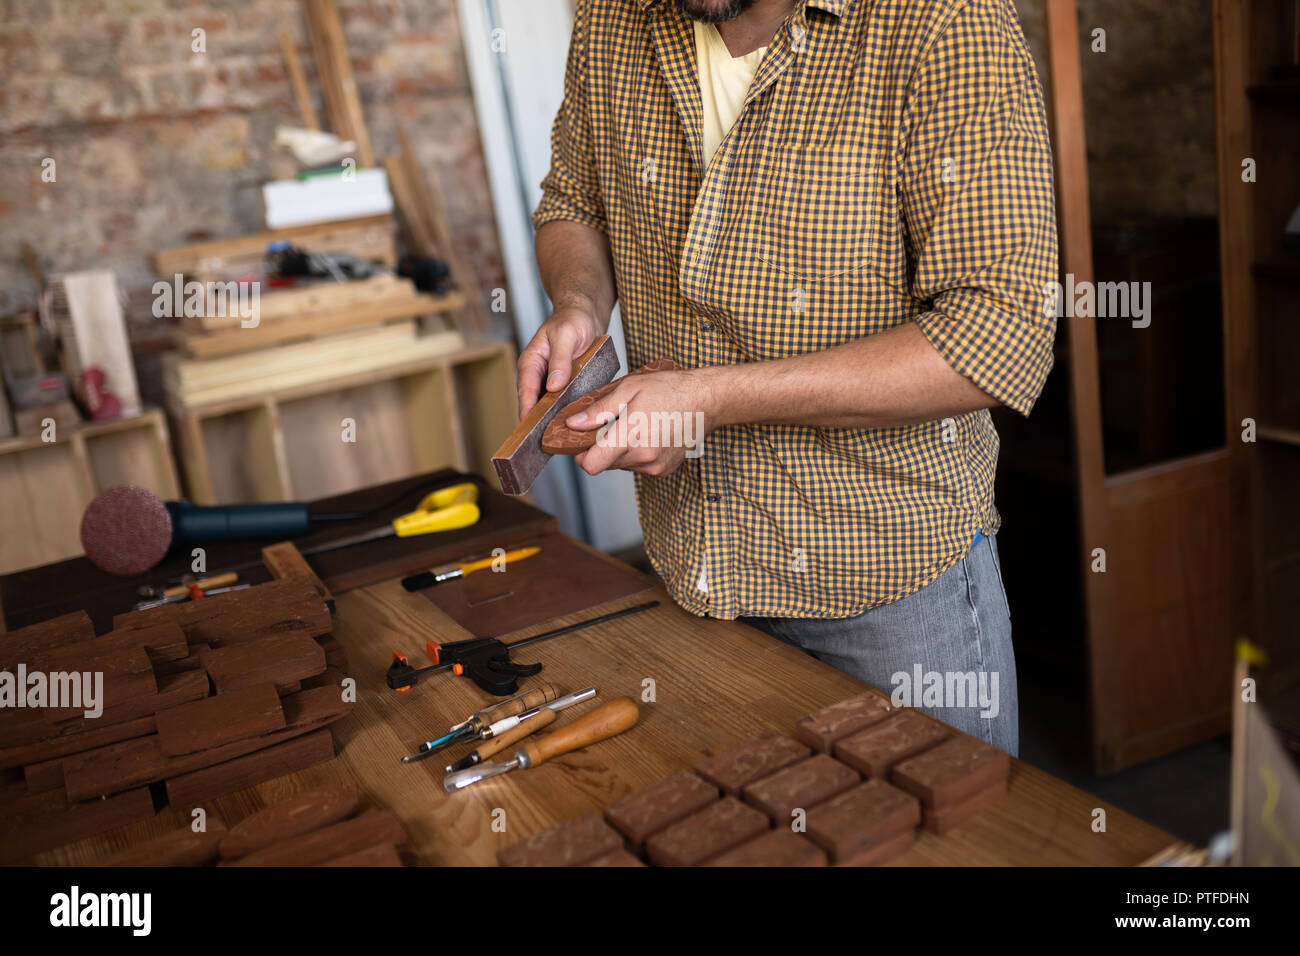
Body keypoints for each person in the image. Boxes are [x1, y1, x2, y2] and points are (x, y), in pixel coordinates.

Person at [516, 0, 1059, 755]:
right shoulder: (614, 15)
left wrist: (704, 400)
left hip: (887, 589)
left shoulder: (945, 22)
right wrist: (579, 305)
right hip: (697, 569)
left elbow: (1001, 335)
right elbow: (574, 202)